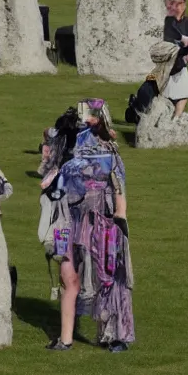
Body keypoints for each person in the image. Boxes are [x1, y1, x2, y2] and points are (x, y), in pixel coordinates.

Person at [40, 101, 133, 352]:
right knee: (67, 277)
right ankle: (65, 339)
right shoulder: (64, 151)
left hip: (100, 218)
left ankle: (112, 335)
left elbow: (118, 185)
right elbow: (49, 184)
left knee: (107, 274)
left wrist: (120, 217)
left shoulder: (109, 149)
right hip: (64, 220)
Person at [161, 0, 188, 119]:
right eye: (173, 3)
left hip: (180, 62)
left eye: (180, 3)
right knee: (163, 94)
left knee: (183, 93)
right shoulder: (164, 22)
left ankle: (176, 119)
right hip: (165, 63)